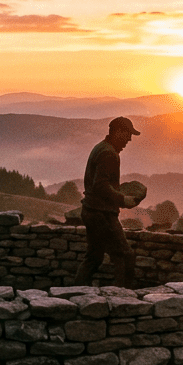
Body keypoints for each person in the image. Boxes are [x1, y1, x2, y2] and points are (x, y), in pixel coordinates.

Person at [73, 116, 142, 288]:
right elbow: (100, 185)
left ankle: (77, 293)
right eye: (127, 134)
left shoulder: (100, 148)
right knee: (124, 256)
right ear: (118, 132)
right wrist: (122, 198)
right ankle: (124, 297)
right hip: (102, 214)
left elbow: (101, 183)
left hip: (90, 210)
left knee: (94, 257)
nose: (129, 139)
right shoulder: (109, 153)